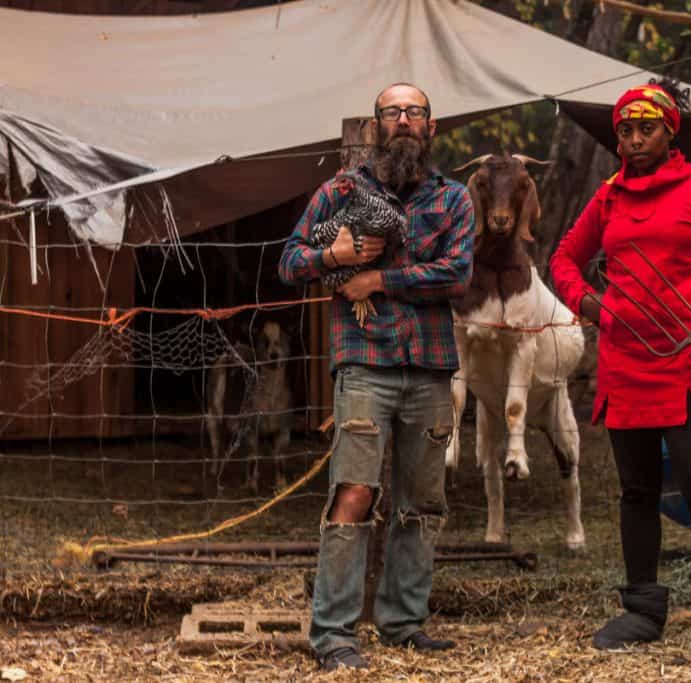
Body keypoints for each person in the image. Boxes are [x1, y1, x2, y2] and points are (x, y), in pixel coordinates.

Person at [549, 80, 691, 673]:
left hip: (690, 363)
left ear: (670, 131)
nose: (634, 138)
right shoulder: (609, 198)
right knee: (637, 491)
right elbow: (564, 260)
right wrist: (588, 305)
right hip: (625, 363)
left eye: (646, 128)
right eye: (625, 129)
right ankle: (643, 610)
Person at [278, 83, 474, 672]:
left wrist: (380, 280)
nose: (405, 120)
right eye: (393, 112)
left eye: (416, 112)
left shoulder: (455, 199)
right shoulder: (342, 192)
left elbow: (458, 274)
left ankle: (403, 622)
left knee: (422, 503)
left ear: (431, 127)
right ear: (376, 125)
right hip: (364, 361)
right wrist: (336, 258)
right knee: (354, 493)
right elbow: (290, 261)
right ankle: (334, 634)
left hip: (432, 366)